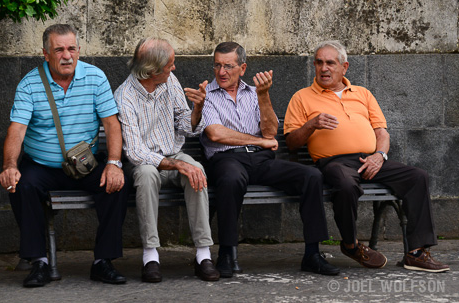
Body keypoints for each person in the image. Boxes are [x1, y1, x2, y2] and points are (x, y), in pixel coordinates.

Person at [284, 40, 449, 273]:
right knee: (344, 183)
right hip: (335, 162)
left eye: (330, 63)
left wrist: (379, 156)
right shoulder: (302, 97)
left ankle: (417, 253)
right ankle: (351, 244)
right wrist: (312, 124)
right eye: (319, 63)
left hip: (370, 160)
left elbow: (381, 132)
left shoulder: (362, 93)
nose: (324, 68)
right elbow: (291, 143)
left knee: (417, 177)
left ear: (344, 67)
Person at [0, 24, 129, 287]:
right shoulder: (30, 84)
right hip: (42, 166)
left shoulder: (95, 77)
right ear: (46, 54)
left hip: (85, 164)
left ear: (78, 50)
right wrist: (9, 165)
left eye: (71, 48)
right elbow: (17, 129)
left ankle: (103, 262)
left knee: (116, 185)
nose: (67, 55)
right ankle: (39, 262)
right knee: (21, 185)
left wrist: (114, 164)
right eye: (59, 50)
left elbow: (112, 124)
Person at [200, 41, 339, 278]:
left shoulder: (255, 93)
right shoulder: (207, 94)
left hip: (261, 161)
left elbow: (270, 133)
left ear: (242, 68)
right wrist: (257, 142)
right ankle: (227, 253)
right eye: (217, 66)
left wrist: (263, 96)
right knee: (231, 179)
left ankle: (313, 254)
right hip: (226, 160)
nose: (221, 72)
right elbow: (215, 133)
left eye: (228, 66)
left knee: (311, 176)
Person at [114, 37, 220, 282]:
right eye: (170, 64)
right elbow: (136, 152)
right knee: (148, 174)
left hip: (172, 153)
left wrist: (197, 110)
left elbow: (185, 126)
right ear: (151, 70)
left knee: (196, 170)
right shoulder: (125, 97)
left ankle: (203, 254)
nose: (174, 68)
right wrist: (175, 164)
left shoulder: (169, 81)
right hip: (143, 162)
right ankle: (150, 256)